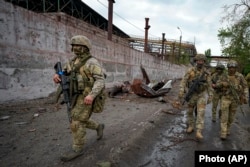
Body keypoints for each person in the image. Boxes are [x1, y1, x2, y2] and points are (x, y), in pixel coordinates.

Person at [53, 35, 106, 161]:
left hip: (86, 96)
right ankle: (98, 126)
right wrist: (57, 75)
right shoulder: (72, 62)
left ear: (85, 48)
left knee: (76, 121)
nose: (76, 48)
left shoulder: (91, 62)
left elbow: (100, 80)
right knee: (79, 118)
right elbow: (64, 72)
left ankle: (78, 148)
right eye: (74, 46)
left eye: (79, 46)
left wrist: (92, 95)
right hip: (74, 95)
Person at [178, 54, 213, 140]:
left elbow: (209, 85)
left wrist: (211, 95)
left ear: (204, 62)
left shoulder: (207, 73)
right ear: (196, 61)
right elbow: (184, 81)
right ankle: (191, 125)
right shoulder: (190, 71)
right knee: (190, 111)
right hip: (192, 95)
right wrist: (181, 90)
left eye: (202, 61)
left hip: (201, 95)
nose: (200, 62)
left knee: (201, 112)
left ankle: (199, 131)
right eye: (198, 61)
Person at [214, 60, 248, 140]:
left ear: (236, 68)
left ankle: (228, 128)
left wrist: (245, 95)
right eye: (230, 67)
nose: (231, 69)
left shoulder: (240, 76)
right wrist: (222, 83)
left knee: (231, 117)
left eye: (233, 67)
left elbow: (245, 86)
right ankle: (223, 132)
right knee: (224, 116)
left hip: (235, 99)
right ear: (228, 68)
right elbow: (217, 85)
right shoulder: (224, 75)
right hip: (225, 98)